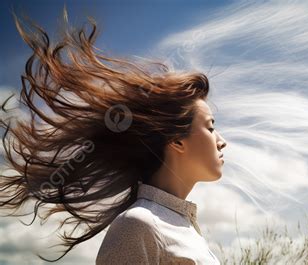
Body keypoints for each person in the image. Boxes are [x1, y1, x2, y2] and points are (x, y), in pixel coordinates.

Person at [0, 10, 226, 264]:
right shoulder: (139, 225)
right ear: (176, 140)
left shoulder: (183, 227)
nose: (221, 140)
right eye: (210, 127)